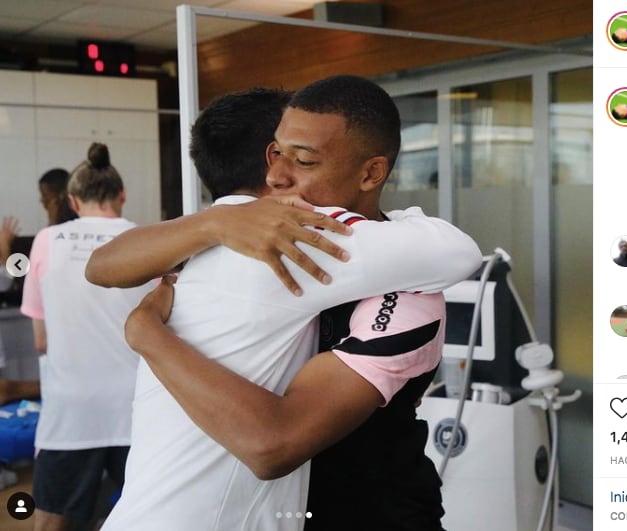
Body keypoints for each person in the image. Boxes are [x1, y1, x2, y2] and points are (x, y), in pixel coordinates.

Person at [93, 80, 480, 530]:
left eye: (304, 160)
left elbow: (272, 443)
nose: (277, 177)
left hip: (375, 513)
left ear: (371, 173)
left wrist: (147, 334)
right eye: (275, 154)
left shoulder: (329, 245)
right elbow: (103, 264)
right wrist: (216, 224)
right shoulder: (240, 237)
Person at [20, 143, 154, 531]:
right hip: (138, 409)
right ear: (122, 196)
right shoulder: (150, 241)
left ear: (73, 201)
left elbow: (41, 340)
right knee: (147, 515)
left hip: (71, 412)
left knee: (51, 519)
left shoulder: (46, 241)